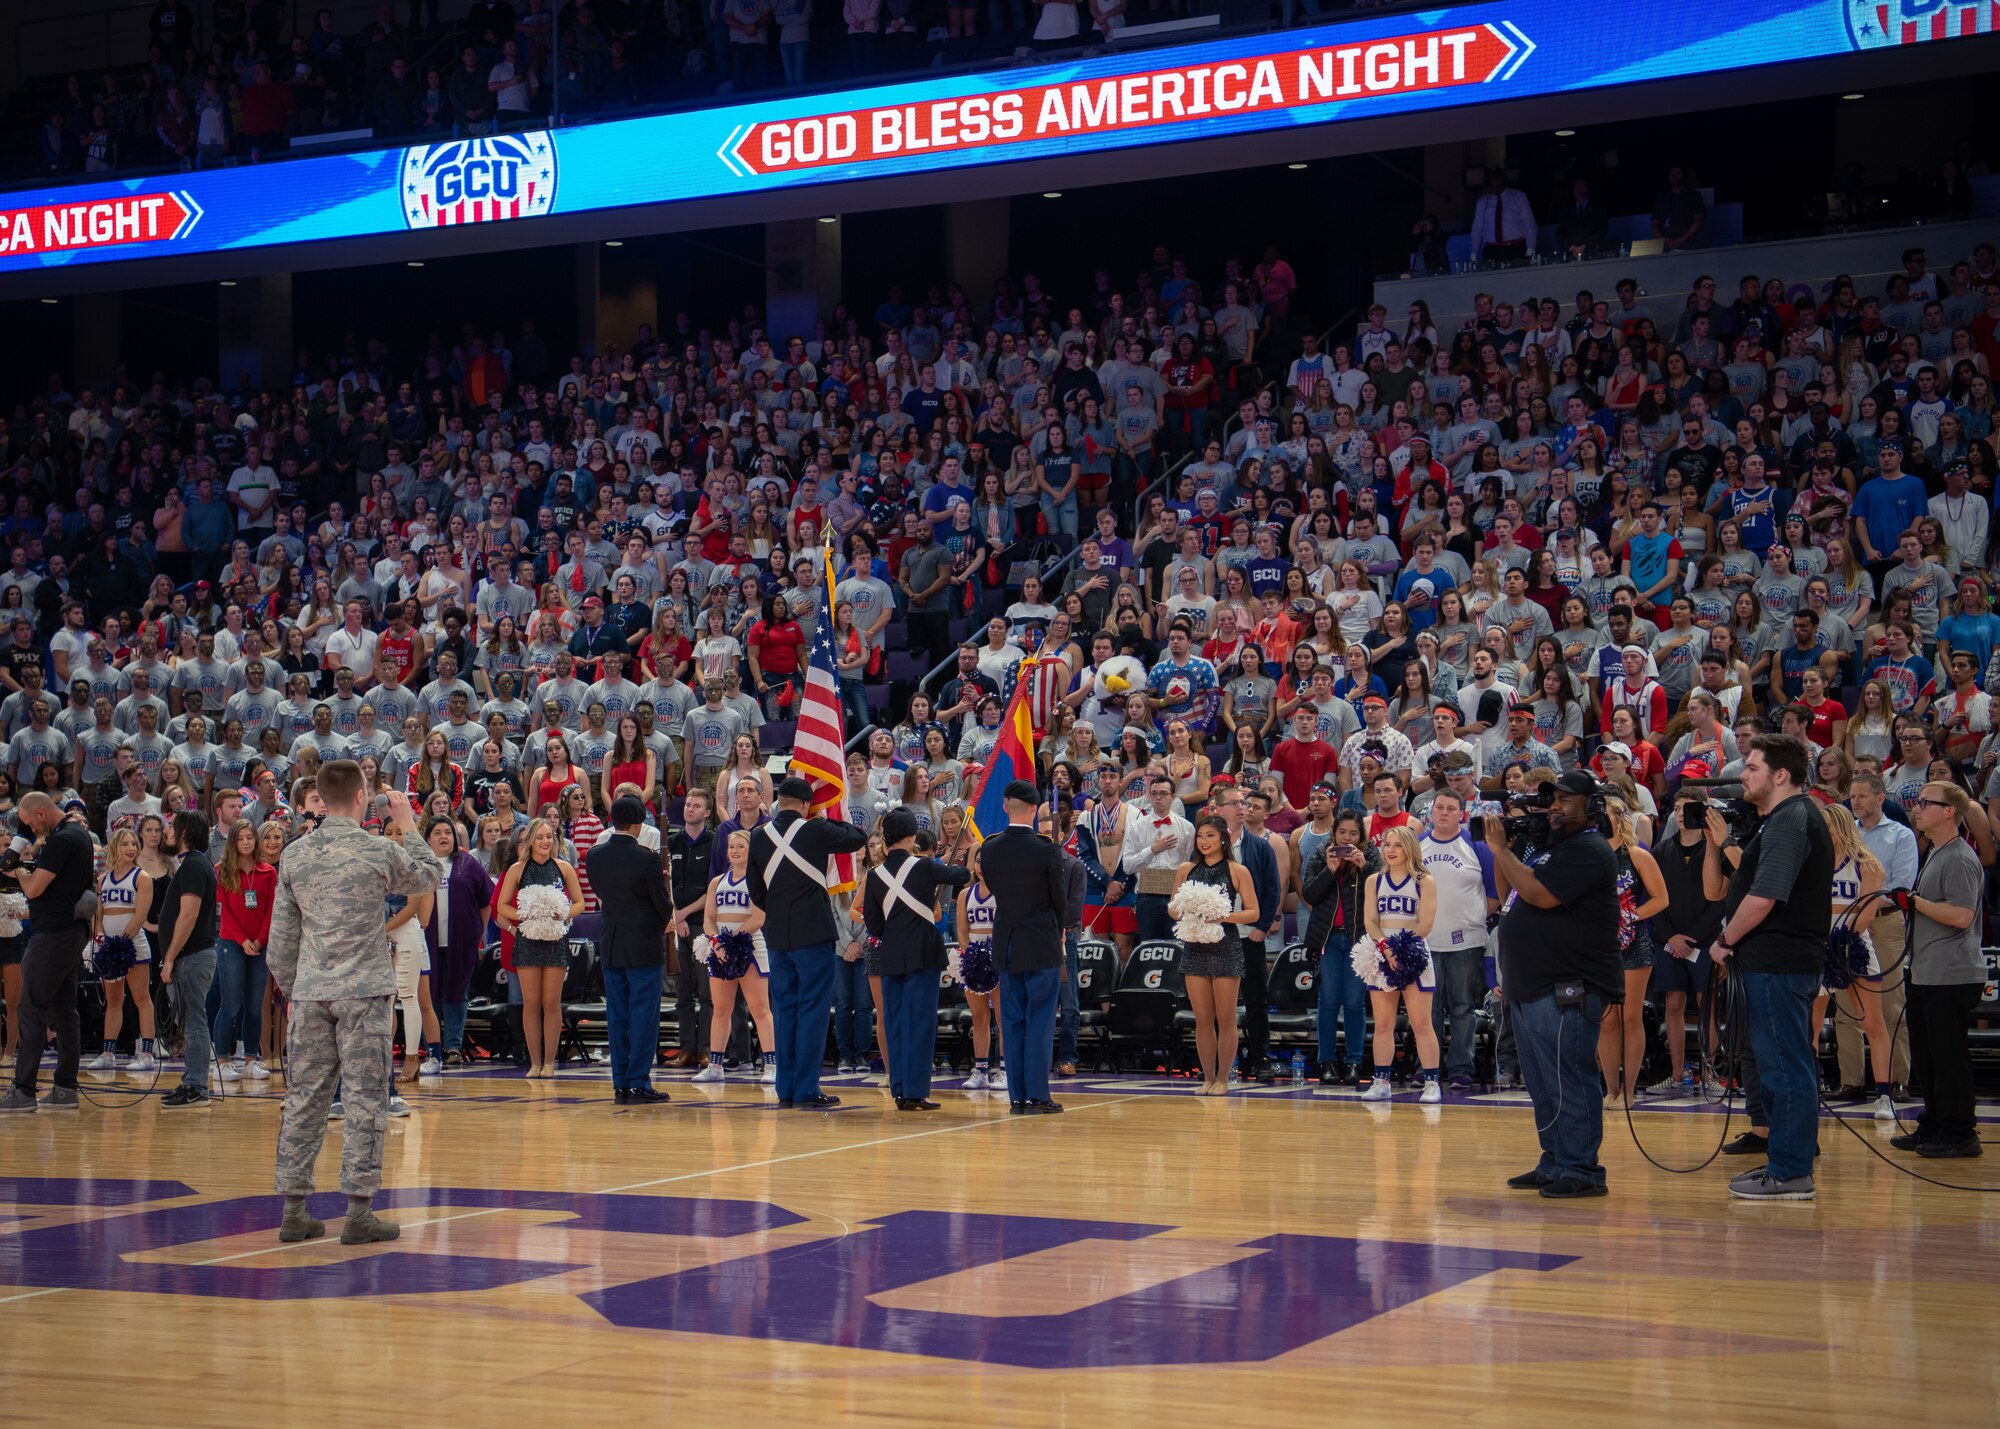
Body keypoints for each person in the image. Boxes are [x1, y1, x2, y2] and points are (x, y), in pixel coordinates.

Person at [266, 762, 444, 1245]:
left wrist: (297, 987)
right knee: (365, 1101)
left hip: (310, 993)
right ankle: (359, 1212)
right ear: (363, 796)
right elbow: (429, 876)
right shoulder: (378, 849)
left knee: (303, 1099)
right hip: (363, 992)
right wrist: (409, 824)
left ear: (319, 798)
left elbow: (279, 943)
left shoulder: (295, 856)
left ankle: (294, 1209)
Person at [1704, 735, 1835, 1202]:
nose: (1742, 774)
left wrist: (1724, 941)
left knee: (1784, 1067)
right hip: (1774, 962)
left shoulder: (1791, 819)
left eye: (1752, 768)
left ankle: (1792, 1171)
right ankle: (1783, 1162)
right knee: (1782, 1065)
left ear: (1780, 775)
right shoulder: (1784, 818)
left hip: (1778, 962)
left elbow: (1764, 897)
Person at [1485, 770, 1621, 1198]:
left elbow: (1540, 895)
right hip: (1533, 984)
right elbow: (1511, 889)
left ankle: (1581, 1170)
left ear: (1592, 807)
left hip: (1569, 986)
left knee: (1568, 1078)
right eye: (1552, 800)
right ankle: (1555, 1161)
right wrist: (1507, 851)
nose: (1555, 806)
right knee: (1543, 1082)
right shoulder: (1551, 849)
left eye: (1565, 799)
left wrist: (1500, 848)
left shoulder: (1589, 849)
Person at [746, 777, 866, 1108]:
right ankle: (807, 1089)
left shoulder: (758, 836)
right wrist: (830, 813)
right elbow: (856, 838)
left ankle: (786, 1088)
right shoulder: (814, 829)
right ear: (804, 805)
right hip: (813, 933)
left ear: (779, 801)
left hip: (778, 935)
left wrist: (780, 911)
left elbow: (756, 890)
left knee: (784, 1010)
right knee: (812, 1009)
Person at [1892, 782, 1986, 1159]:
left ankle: (1960, 1132)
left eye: (1926, 802)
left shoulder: (1961, 858)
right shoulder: (1935, 851)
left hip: (1952, 973)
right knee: (1928, 1056)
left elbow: (1962, 916)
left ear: (1949, 811)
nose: (1917, 806)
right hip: (1927, 970)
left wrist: (1914, 902)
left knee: (1948, 1057)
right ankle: (1935, 1121)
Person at [869, 807, 971, 1110]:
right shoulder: (925, 867)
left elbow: (874, 925)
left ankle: (899, 1089)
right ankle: (916, 1091)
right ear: (912, 836)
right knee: (921, 1024)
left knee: (896, 1023)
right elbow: (962, 874)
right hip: (923, 956)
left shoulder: (875, 876)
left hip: (890, 957)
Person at [0, 793, 97, 1112]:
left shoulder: (62, 840)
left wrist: (20, 873)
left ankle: (23, 1091)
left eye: (30, 823)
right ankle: (65, 1089)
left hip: (53, 936)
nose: (30, 829)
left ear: (41, 813)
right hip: (70, 933)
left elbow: (34, 889)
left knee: (31, 1009)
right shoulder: (78, 833)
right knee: (64, 1011)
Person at [981, 780, 1068, 1114]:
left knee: (1012, 1021)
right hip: (1041, 941)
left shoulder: (989, 848)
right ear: (1035, 809)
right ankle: (1038, 1095)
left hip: (1007, 942)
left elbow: (993, 886)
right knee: (1040, 1021)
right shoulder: (1046, 848)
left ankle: (1017, 1096)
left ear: (1005, 806)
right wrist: (1058, 929)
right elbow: (1058, 899)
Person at [586, 794, 673, 1105]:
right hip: (643, 945)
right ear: (638, 824)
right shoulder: (647, 857)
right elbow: (663, 906)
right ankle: (639, 1082)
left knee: (617, 1016)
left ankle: (620, 1082)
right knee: (643, 1016)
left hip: (611, 942)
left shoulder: (594, 855)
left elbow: (600, 892)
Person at [1170, 812, 1260, 1095]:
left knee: (1226, 1017)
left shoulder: (1237, 870)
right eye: (1200, 836)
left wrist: (1222, 915)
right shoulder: (1186, 869)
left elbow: (1254, 912)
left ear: (1223, 838)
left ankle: (1223, 1079)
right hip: (1194, 946)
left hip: (1226, 946)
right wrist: (1187, 910)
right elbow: (1172, 908)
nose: (1204, 841)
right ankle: (1207, 1077)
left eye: (1210, 835)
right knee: (1202, 1019)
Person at [1357, 826, 1442, 1102]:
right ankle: (1381, 1081)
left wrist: (1400, 948)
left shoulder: (1425, 881)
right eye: (1387, 845)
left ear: (1410, 849)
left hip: (1413, 951)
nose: (1390, 850)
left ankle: (1431, 1083)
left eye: (1397, 845)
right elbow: (1370, 921)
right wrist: (1385, 947)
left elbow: (1426, 924)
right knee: (1383, 1024)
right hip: (1381, 953)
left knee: (1421, 1023)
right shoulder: (1374, 881)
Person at [495, 816, 584, 1078]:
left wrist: (562, 913)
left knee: (551, 1003)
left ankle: (550, 1063)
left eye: (550, 837)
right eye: (541, 837)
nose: (546, 841)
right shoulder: (517, 869)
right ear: (531, 840)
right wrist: (528, 914)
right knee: (531, 1003)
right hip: (528, 940)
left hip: (556, 940)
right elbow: (502, 906)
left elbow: (579, 903)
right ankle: (535, 1063)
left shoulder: (564, 867)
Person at [1420, 789, 1497, 1091]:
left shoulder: (1477, 846)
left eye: (1451, 809)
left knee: (1463, 1007)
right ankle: (1427, 1067)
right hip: (1425, 942)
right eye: (1440, 807)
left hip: (1466, 942)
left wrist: (1471, 919)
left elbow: (1493, 893)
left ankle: (1462, 1069)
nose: (1444, 813)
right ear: (1432, 810)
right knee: (1428, 1009)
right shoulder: (1418, 845)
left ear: (1461, 813)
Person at [693, 828, 776, 1085]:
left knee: (760, 1009)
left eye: (740, 846)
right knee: (721, 1009)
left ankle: (771, 1065)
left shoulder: (758, 880)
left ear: (750, 850)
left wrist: (733, 940)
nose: (735, 851)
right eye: (732, 847)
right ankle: (716, 1065)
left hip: (750, 946)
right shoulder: (717, 881)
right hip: (721, 949)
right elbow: (708, 918)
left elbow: (759, 918)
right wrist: (717, 941)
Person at [156, 810, 221, 1110]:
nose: (166, 831)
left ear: (184, 832)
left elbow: (189, 914)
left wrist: (169, 957)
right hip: (191, 956)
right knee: (190, 1022)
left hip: (191, 957)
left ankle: (196, 1086)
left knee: (194, 1023)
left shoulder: (194, 865)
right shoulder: (193, 864)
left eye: (171, 827)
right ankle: (192, 1081)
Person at [83, 828, 156, 1078]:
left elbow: (140, 915)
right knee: (113, 1000)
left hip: (133, 943)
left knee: (141, 998)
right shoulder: (103, 880)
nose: (130, 848)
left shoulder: (142, 877)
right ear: (115, 848)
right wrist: (102, 939)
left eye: (133, 844)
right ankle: (108, 1054)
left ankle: (146, 1054)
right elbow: (98, 913)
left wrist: (121, 941)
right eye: (125, 844)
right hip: (109, 945)